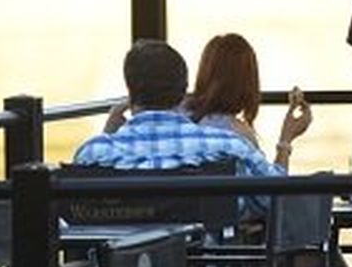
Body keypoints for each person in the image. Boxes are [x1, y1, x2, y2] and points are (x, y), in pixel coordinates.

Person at [75, 39, 300, 181]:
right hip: (204, 256)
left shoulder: (92, 153)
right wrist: (286, 141)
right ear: (183, 91)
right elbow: (277, 195)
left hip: (118, 256)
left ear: (130, 91)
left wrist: (109, 134)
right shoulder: (230, 146)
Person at [183, 33, 312, 170]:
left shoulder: (176, 116)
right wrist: (286, 139)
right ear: (247, 83)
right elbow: (273, 186)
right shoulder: (239, 136)